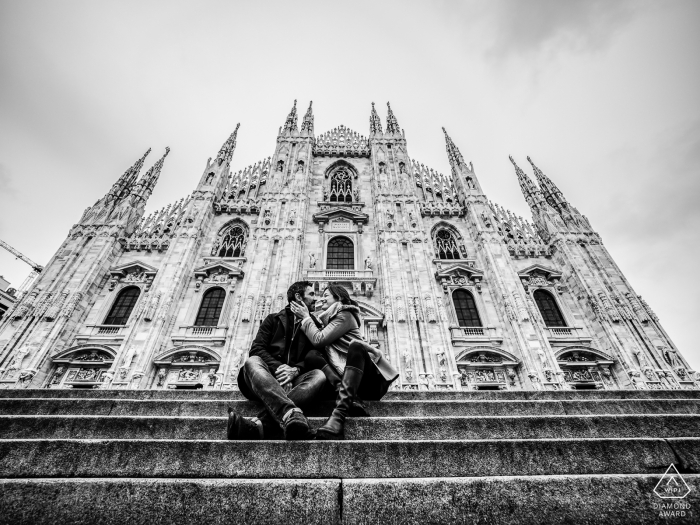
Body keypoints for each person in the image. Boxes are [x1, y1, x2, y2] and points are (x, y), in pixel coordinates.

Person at [290, 283, 398, 440]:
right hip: (347, 381)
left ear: (338, 298)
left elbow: (318, 339)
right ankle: (344, 391)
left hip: (367, 383)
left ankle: (338, 415)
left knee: (355, 347)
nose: (321, 299)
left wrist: (306, 318)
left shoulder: (345, 314)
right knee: (312, 355)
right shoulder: (329, 320)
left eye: (326, 295)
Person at [227, 281, 325, 440]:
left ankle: (260, 424)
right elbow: (257, 348)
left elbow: (316, 355)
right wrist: (281, 369)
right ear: (299, 297)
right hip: (265, 379)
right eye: (312, 294)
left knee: (319, 375)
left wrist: (295, 371)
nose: (316, 298)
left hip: (295, 380)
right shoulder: (273, 319)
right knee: (252, 361)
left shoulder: (313, 325)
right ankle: (289, 413)